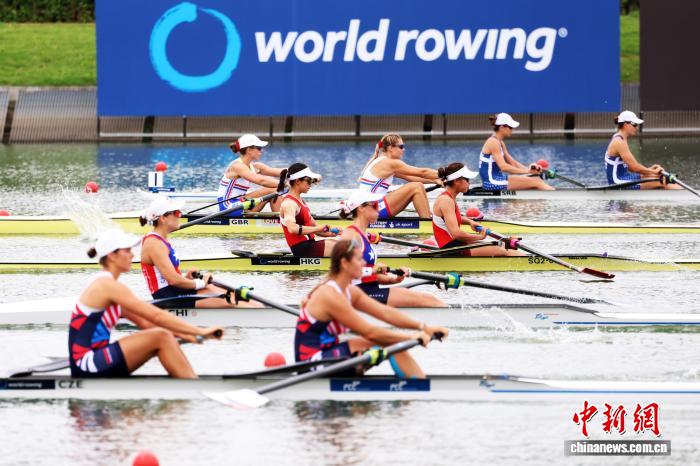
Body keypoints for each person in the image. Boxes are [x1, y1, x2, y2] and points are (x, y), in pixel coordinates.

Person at [70, 229, 223, 378]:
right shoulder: (107, 286)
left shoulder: (107, 285)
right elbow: (156, 316)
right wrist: (199, 331)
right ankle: (192, 385)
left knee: (161, 335)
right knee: (161, 336)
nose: (132, 254)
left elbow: (146, 323)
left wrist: (185, 335)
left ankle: (188, 383)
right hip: (87, 363)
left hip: (95, 358)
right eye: (127, 250)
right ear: (112, 256)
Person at [294, 239, 449, 378]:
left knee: (388, 343)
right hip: (312, 363)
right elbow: (370, 332)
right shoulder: (330, 295)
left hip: (330, 350)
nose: (363, 263)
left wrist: (424, 327)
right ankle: (419, 389)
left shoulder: (350, 291)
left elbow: (386, 313)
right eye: (359, 259)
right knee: (390, 343)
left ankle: (416, 385)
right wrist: (411, 338)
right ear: (344, 263)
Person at [139, 196, 260, 308]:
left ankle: (261, 310)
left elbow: (169, 278)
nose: (180, 216)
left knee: (222, 291)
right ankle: (262, 314)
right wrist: (200, 283)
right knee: (225, 297)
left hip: (175, 291)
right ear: (163, 218)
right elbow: (173, 280)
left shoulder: (161, 239)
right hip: (167, 297)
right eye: (176, 213)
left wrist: (187, 278)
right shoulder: (154, 243)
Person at [339, 190, 445, 307]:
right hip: (357, 294)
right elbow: (343, 270)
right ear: (361, 208)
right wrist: (374, 270)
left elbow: (370, 276)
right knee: (429, 301)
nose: (378, 210)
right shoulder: (351, 235)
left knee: (430, 298)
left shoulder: (363, 234)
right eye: (375, 205)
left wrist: (394, 279)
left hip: (371, 290)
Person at [432, 163, 522, 256]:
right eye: (467, 180)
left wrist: (470, 222)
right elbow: (456, 234)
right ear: (457, 181)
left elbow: (452, 217)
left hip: (456, 245)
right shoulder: (446, 201)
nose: (469, 183)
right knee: (502, 251)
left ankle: (526, 260)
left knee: (503, 246)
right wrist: (479, 237)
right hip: (451, 250)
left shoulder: (449, 198)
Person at [357, 133, 441, 218]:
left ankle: (427, 218)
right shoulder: (388, 163)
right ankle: (427, 222)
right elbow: (422, 172)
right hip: (371, 209)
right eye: (401, 147)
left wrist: (435, 180)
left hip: (370, 206)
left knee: (418, 186)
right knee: (417, 187)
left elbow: (412, 177)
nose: (403, 150)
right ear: (390, 148)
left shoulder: (382, 162)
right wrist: (443, 173)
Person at [604, 111, 681, 190]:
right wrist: (653, 171)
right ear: (625, 124)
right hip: (617, 183)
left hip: (625, 177)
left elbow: (630, 167)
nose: (637, 128)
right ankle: (685, 195)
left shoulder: (620, 138)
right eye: (634, 124)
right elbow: (634, 167)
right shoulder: (619, 142)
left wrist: (650, 170)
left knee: (659, 177)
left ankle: (681, 194)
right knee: (661, 181)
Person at [478, 113, 554, 191]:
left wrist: (531, 171)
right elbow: (503, 167)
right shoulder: (493, 142)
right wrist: (528, 171)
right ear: (502, 127)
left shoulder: (500, 142)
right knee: (535, 181)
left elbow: (513, 163)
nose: (512, 130)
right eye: (510, 127)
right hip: (491, 183)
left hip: (498, 178)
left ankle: (548, 193)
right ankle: (553, 196)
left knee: (535, 178)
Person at [277, 163, 340, 257]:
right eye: (309, 181)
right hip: (302, 249)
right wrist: (318, 228)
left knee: (347, 245)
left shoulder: (301, 201)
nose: (310, 184)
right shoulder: (289, 204)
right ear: (298, 181)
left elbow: (315, 228)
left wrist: (333, 233)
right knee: (344, 248)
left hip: (310, 244)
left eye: (311, 181)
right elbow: (292, 228)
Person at [217, 134, 284, 212]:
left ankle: (282, 217)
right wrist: (285, 184)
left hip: (240, 202)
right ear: (249, 150)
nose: (261, 151)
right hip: (228, 206)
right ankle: (282, 218)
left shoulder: (255, 167)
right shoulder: (237, 166)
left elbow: (282, 172)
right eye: (259, 148)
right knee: (273, 190)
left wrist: (295, 171)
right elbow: (262, 181)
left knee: (275, 192)